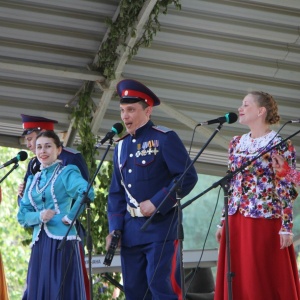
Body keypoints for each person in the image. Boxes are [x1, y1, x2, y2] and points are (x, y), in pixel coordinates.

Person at [105, 79, 198, 300]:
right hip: (130, 232)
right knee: (135, 292)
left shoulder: (164, 138)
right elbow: (116, 194)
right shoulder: (120, 147)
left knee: (161, 288)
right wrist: (114, 229)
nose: (125, 116)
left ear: (147, 110)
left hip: (161, 228)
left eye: (131, 110)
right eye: (122, 111)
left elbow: (188, 176)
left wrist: (157, 201)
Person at [214, 91, 300, 300]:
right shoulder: (235, 143)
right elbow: (232, 184)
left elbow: (287, 186)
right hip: (236, 218)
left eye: (245, 105)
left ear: (261, 111)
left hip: (264, 218)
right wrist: (222, 220)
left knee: (261, 277)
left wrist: (287, 226)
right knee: (237, 277)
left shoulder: (279, 143)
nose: (240, 109)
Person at [17, 130, 94, 300]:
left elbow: (87, 191)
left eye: (47, 146)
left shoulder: (66, 172)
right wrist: (39, 216)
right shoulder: (34, 179)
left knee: (60, 288)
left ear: (59, 150)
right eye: (39, 147)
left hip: (63, 240)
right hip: (40, 241)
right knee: (38, 288)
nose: (42, 151)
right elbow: (22, 215)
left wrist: (70, 216)